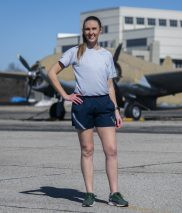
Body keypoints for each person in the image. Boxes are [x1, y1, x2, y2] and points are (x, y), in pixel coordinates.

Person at [47, 16, 129, 207]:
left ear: (100, 30)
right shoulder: (74, 52)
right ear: (83, 31)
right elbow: (52, 73)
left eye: (94, 29)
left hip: (104, 105)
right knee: (87, 150)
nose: (91, 32)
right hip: (83, 105)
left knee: (112, 150)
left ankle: (114, 194)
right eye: (87, 29)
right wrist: (65, 95)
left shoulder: (106, 56)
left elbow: (110, 86)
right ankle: (89, 193)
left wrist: (116, 110)